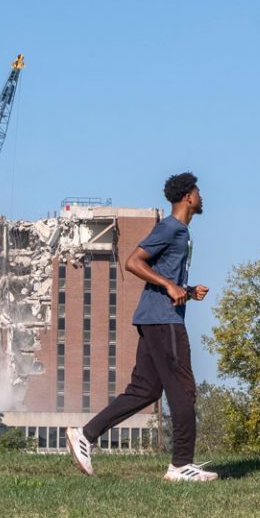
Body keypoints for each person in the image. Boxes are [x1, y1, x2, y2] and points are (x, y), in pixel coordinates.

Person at [66, 172, 215, 482]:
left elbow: (164, 277)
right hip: (163, 321)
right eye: (198, 192)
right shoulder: (170, 228)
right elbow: (134, 262)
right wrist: (170, 287)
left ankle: (85, 435)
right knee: (184, 391)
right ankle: (180, 465)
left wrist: (186, 291)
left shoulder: (181, 232)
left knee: (145, 389)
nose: (202, 196)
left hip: (155, 317)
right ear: (187, 196)